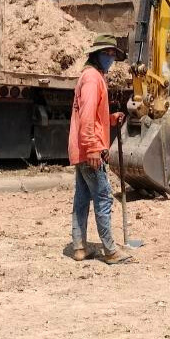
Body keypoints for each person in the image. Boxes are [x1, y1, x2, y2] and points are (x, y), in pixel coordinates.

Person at [68, 34, 132, 264]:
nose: (112, 58)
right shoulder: (93, 79)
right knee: (103, 196)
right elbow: (86, 117)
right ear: (97, 54)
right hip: (89, 150)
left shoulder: (90, 77)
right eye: (108, 53)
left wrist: (109, 118)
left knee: (83, 197)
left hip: (81, 148)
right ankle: (110, 251)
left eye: (114, 54)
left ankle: (79, 247)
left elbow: (92, 115)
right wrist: (94, 148)